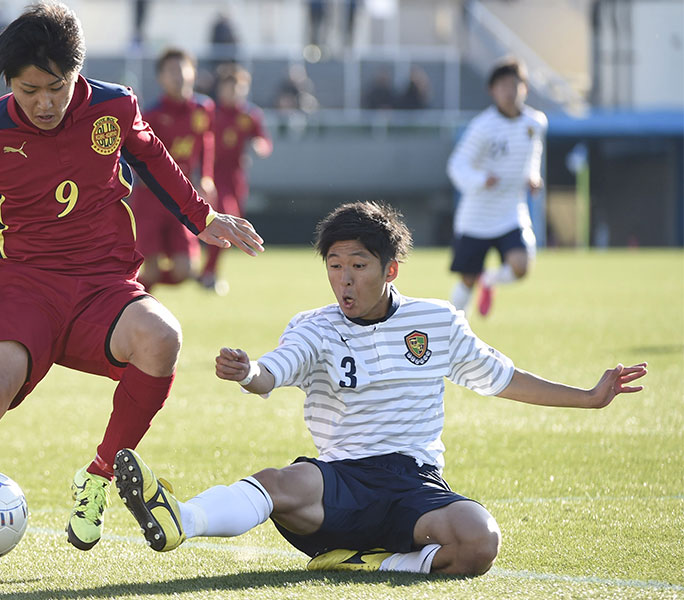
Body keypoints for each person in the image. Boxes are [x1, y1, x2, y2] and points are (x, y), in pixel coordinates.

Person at [0, 2, 264, 577]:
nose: (44, 103)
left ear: (76, 72)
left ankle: (98, 476)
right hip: (22, 287)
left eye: (56, 87)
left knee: (163, 338)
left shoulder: (114, 106)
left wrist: (202, 217)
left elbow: (152, 157)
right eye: (28, 90)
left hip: (104, 285)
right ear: (8, 83)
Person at [112, 201, 647, 576]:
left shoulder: (435, 321)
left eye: (358, 266)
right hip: (339, 483)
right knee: (280, 482)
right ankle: (182, 519)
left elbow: (501, 377)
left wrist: (588, 396)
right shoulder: (314, 327)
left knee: (480, 539)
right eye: (334, 266)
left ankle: (376, 562)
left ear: (390, 269)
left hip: (415, 483)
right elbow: (275, 369)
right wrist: (249, 371)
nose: (344, 279)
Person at [447, 56, 547, 316]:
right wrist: (482, 179)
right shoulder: (482, 126)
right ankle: (454, 329)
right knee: (467, 279)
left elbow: (533, 154)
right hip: (477, 215)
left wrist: (533, 176)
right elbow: (457, 165)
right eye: (502, 86)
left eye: (514, 85)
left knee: (521, 266)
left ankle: (489, 280)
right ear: (492, 91)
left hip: (511, 210)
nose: (509, 91)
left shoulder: (535, 123)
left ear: (525, 88)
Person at [131, 48, 216, 292]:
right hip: (151, 198)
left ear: (193, 73)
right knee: (151, 268)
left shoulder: (203, 108)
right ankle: (133, 299)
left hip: (181, 197)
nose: (177, 75)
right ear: (161, 78)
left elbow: (206, 141)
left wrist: (206, 176)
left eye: (181, 69)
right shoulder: (151, 114)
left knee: (185, 269)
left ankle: (132, 290)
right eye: (170, 71)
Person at [198, 64, 272, 294]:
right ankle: (205, 272)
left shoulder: (249, 115)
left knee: (232, 224)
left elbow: (263, 139)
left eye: (240, 88)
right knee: (225, 218)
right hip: (212, 176)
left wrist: (260, 146)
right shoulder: (210, 112)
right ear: (221, 89)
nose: (235, 93)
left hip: (236, 178)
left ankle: (208, 273)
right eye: (230, 88)